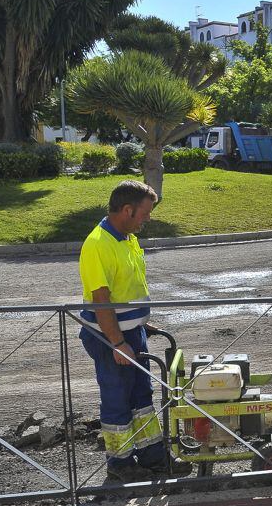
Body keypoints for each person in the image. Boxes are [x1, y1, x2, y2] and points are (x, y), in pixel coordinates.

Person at [79, 181, 191, 482]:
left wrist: (141, 323)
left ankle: (153, 457)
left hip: (131, 334)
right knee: (118, 398)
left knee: (142, 395)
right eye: (145, 212)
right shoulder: (97, 244)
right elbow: (101, 301)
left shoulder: (126, 238)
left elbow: (127, 290)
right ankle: (120, 462)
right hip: (109, 338)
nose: (148, 218)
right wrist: (117, 342)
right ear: (127, 210)